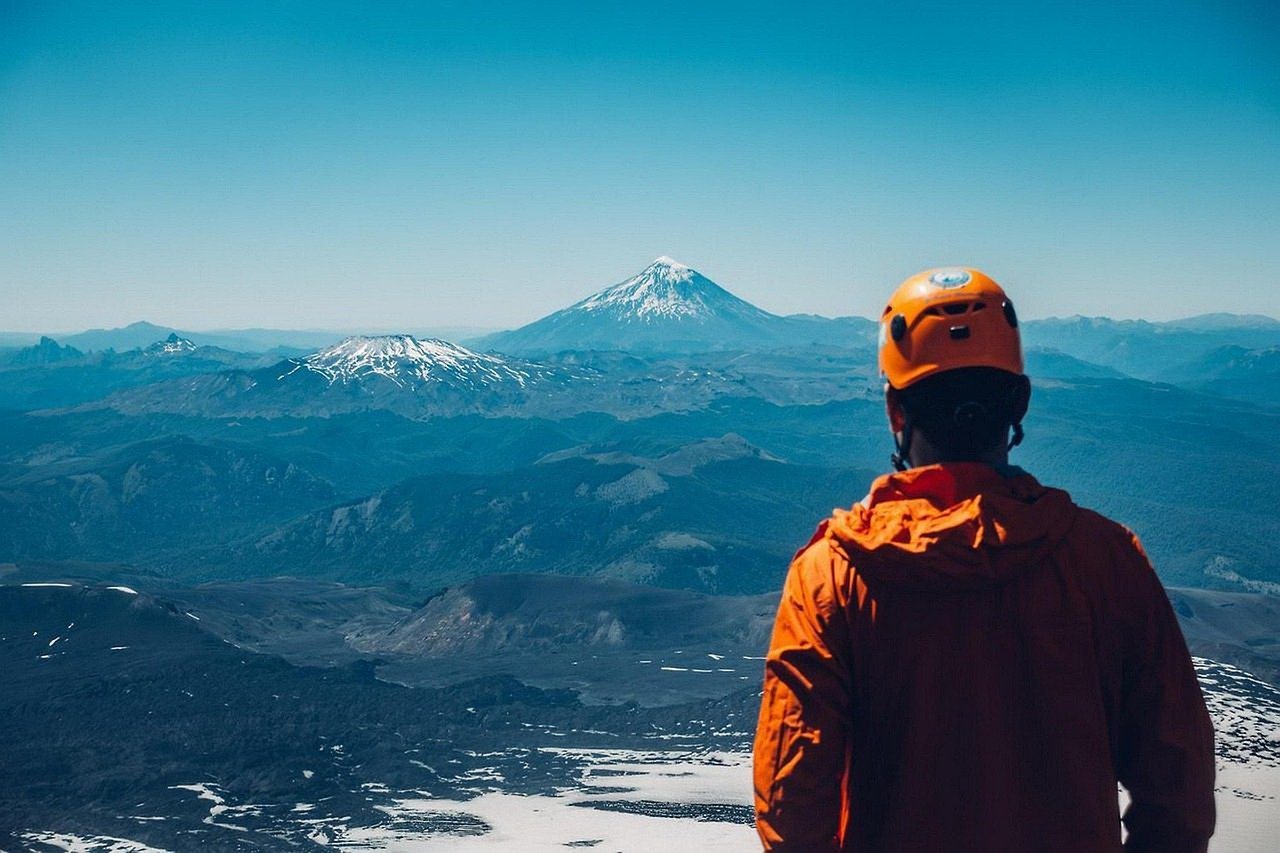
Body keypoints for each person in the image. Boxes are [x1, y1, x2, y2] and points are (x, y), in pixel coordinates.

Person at [752, 267, 1215, 851]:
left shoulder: (831, 577)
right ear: (1018, 402)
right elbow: (1179, 787)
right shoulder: (1106, 561)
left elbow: (792, 798)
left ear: (897, 412)